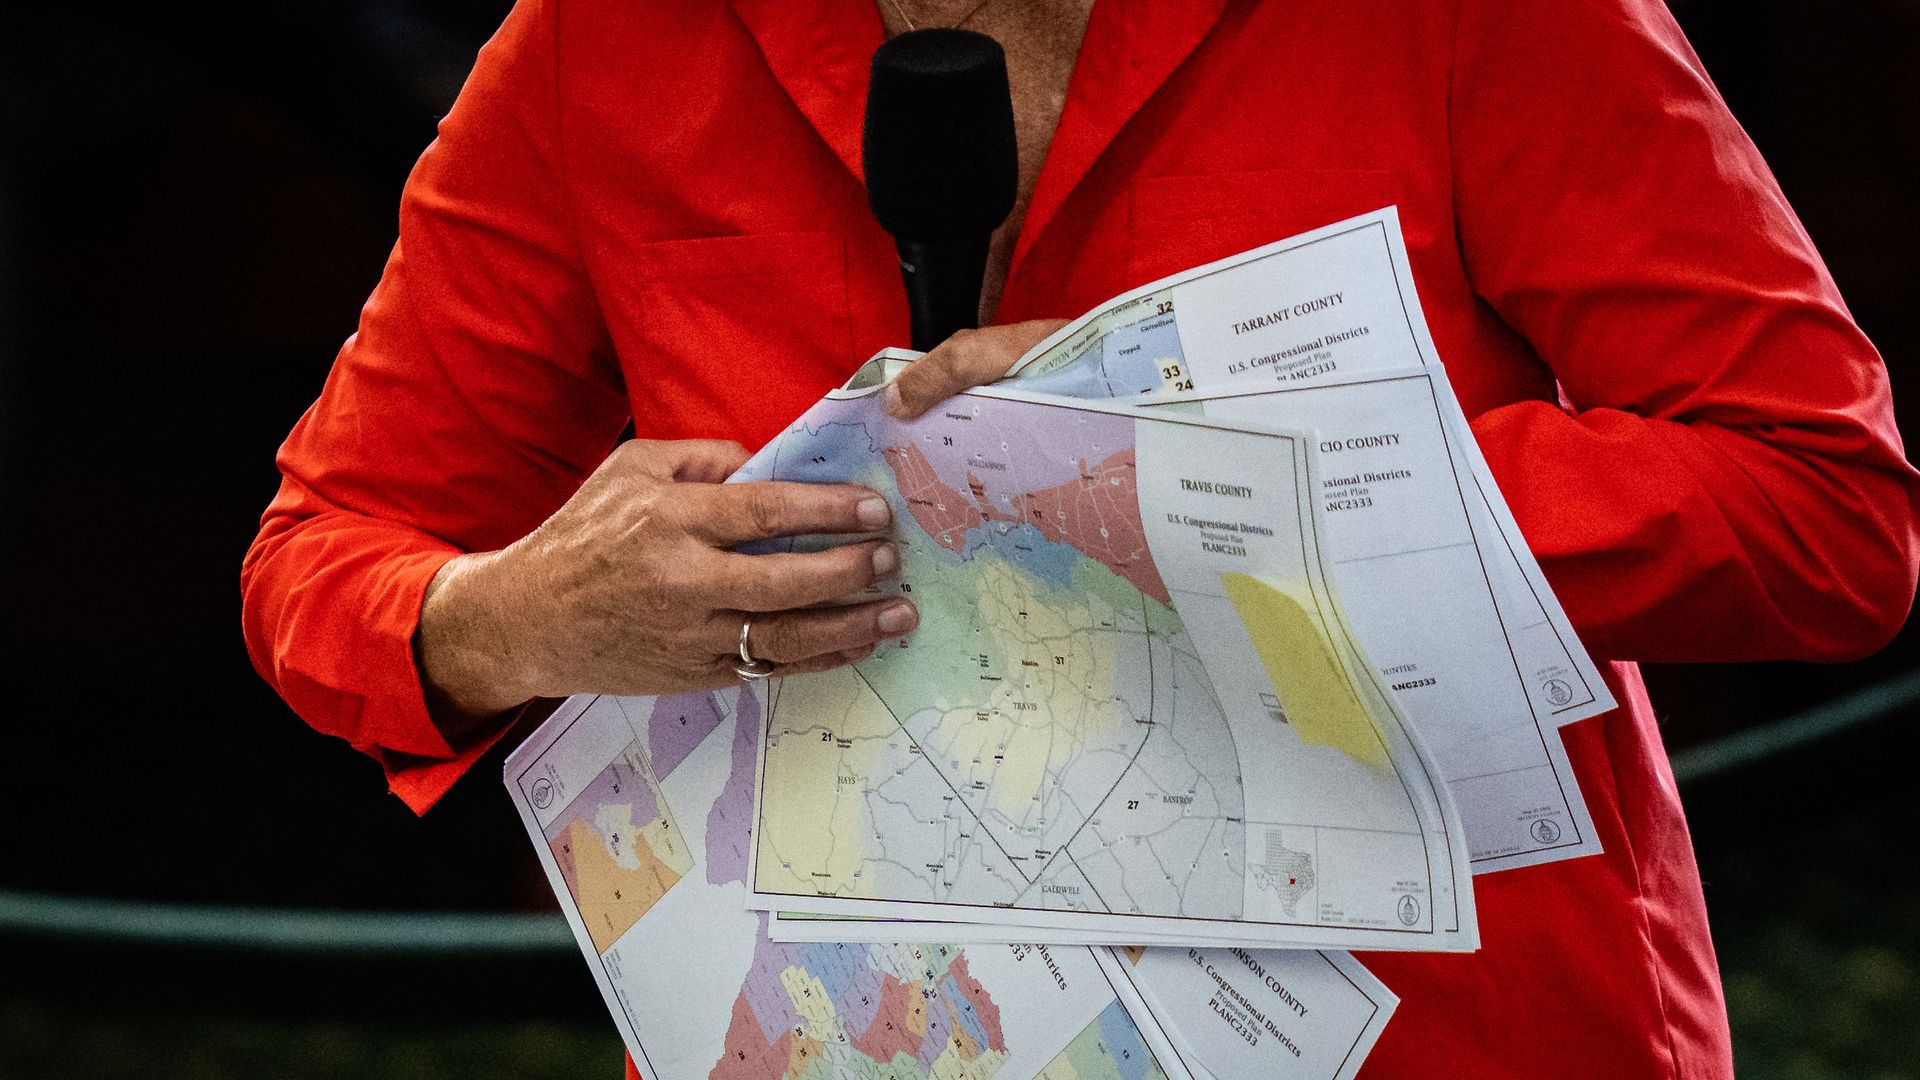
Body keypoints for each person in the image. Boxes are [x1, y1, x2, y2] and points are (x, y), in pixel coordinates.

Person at [241, 0, 1920, 1076]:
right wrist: (504, 616)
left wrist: (1238, 495)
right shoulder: (599, 43)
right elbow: (328, 550)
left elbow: (1825, 508)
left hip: (1455, 1031)